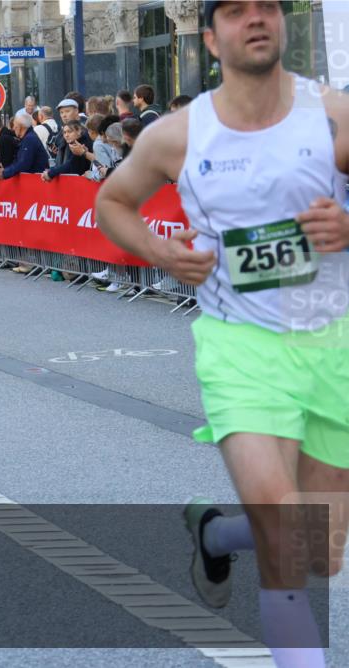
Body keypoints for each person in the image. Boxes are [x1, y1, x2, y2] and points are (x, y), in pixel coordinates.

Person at [95, 3, 349, 666]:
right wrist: (160, 252)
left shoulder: (331, 116)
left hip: (332, 344)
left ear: (285, 24)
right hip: (239, 345)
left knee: (319, 548)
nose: (255, 19)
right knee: (282, 528)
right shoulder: (179, 135)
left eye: (267, 6)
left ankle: (214, 534)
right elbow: (112, 203)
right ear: (211, 37)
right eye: (236, 11)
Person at [2, 114, 49, 178]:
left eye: (14, 125)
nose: (13, 128)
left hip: (37, 181)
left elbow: (24, 164)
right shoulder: (28, 138)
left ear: (20, 126)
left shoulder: (29, 139)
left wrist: (4, 173)